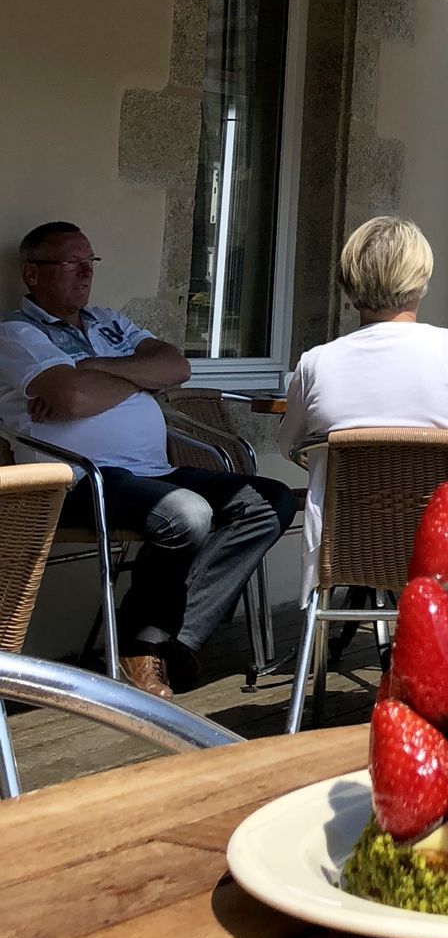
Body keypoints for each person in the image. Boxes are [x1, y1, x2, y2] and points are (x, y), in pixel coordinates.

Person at [0, 221, 298, 698]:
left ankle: (157, 641)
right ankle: (146, 646)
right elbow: (73, 399)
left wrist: (93, 367)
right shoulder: (16, 333)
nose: (84, 272)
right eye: (70, 263)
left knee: (267, 500)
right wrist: (138, 378)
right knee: (188, 514)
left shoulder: (108, 322)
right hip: (79, 481)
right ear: (32, 274)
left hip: (152, 474)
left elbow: (177, 366)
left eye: (89, 262)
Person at [278, 216, 448, 602]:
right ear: (420, 281)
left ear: (350, 282)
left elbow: (292, 446)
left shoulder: (316, 365)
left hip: (348, 548)